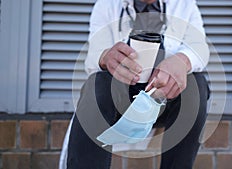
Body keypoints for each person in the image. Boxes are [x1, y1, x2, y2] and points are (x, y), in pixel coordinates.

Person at [60, 0, 210, 168]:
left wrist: (182, 61)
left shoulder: (185, 5)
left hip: (165, 99)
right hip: (119, 98)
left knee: (196, 86)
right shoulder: (106, 5)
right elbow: (94, 53)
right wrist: (105, 57)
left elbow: (200, 47)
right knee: (97, 83)